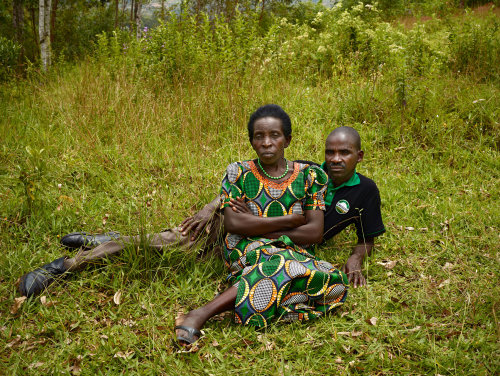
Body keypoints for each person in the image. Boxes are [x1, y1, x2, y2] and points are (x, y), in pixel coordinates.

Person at [18, 124, 384, 298]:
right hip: (239, 229)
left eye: (344, 153)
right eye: (330, 152)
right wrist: (214, 206)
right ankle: (64, 267)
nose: (335, 160)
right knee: (175, 242)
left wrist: (355, 260)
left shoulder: (366, 192)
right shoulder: (305, 171)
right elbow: (242, 185)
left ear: (358, 156)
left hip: (271, 245)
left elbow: (366, 238)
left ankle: (107, 240)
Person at [174, 104, 347, 345]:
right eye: (259, 136)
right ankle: (201, 314)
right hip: (245, 248)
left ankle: (260, 293)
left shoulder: (311, 176)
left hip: (295, 252)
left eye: (274, 135)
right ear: (252, 142)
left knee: (335, 282)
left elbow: (314, 232)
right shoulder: (238, 173)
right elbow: (234, 224)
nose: (267, 142)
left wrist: (257, 225)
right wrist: (289, 221)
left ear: (287, 140)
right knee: (279, 262)